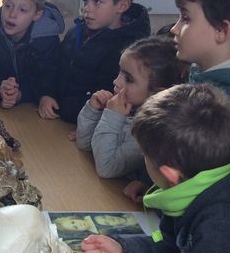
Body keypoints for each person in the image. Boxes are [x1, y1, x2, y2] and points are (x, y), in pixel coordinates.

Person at [81, 84, 230, 253]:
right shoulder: (184, 191)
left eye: (145, 155)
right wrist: (125, 249)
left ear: (169, 175)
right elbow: (168, 245)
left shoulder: (218, 227)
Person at [39, 0, 150, 122]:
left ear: (122, 6)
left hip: (89, 126)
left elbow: (110, 96)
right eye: (85, 1)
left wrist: (89, 125)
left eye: (97, 2)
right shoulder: (76, 31)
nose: (87, 9)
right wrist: (47, 94)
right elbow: (55, 66)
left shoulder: (128, 49)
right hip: (58, 116)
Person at [76, 36, 187, 179]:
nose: (115, 81)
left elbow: (107, 168)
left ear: (157, 93)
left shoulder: (151, 129)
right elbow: (84, 144)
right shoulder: (124, 107)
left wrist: (112, 117)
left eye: (128, 79)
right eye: (120, 72)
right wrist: (93, 110)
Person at [170, 0, 230, 96]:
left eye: (186, 18)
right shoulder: (200, 74)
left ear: (221, 30)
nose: (174, 29)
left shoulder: (222, 103)